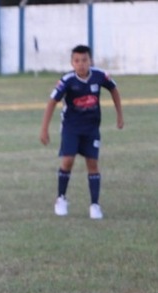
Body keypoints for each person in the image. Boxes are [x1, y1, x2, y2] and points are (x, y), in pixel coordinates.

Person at [40, 44, 124, 220]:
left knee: (92, 164)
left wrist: (119, 115)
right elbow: (51, 102)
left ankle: (95, 205)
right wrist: (44, 129)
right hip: (71, 127)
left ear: (90, 60)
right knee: (68, 160)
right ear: (72, 63)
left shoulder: (100, 76)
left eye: (84, 60)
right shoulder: (67, 80)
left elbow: (114, 89)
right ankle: (61, 198)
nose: (81, 64)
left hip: (91, 128)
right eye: (77, 61)